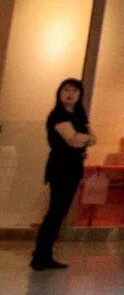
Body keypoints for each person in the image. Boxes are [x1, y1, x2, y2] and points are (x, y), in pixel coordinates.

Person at [32, 80, 93, 271]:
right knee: (55, 212)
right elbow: (74, 140)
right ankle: (40, 256)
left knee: (60, 213)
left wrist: (82, 138)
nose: (70, 94)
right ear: (60, 92)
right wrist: (84, 138)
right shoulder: (57, 115)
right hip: (60, 167)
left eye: (74, 91)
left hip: (74, 168)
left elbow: (93, 138)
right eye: (66, 90)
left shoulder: (79, 115)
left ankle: (45, 254)